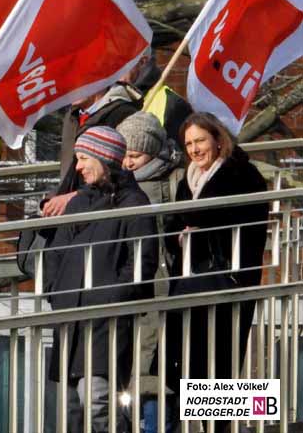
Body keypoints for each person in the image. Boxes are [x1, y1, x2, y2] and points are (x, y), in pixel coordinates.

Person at [43, 126, 157, 432]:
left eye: (82, 158)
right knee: (69, 407)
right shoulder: (79, 203)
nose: (77, 167)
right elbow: (55, 253)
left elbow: (141, 262)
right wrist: (55, 292)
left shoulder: (134, 203)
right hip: (69, 317)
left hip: (106, 321)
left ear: (104, 157)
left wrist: (111, 299)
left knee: (96, 402)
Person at [164, 113, 268, 433]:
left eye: (200, 141)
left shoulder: (242, 173)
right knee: (183, 362)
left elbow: (228, 214)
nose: (194, 149)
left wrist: (193, 223)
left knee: (219, 361)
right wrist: (187, 226)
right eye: (189, 144)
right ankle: (199, 425)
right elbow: (172, 226)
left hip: (228, 277)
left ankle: (224, 426)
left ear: (218, 139)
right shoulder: (188, 180)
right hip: (189, 278)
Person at [115, 111, 185, 427]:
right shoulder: (116, 190)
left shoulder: (174, 181)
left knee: (157, 370)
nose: (128, 163)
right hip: (132, 286)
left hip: (163, 284)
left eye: (135, 155)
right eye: (123, 155)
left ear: (153, 152)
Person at [43, 82, 141, 216]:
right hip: (70, 209)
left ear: (99, 79)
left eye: (78, 80)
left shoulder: (124, 114)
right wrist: (53, 199)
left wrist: (76, 196)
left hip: (102, 210)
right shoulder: (72, 116)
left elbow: (127, 173)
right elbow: (69, 172)